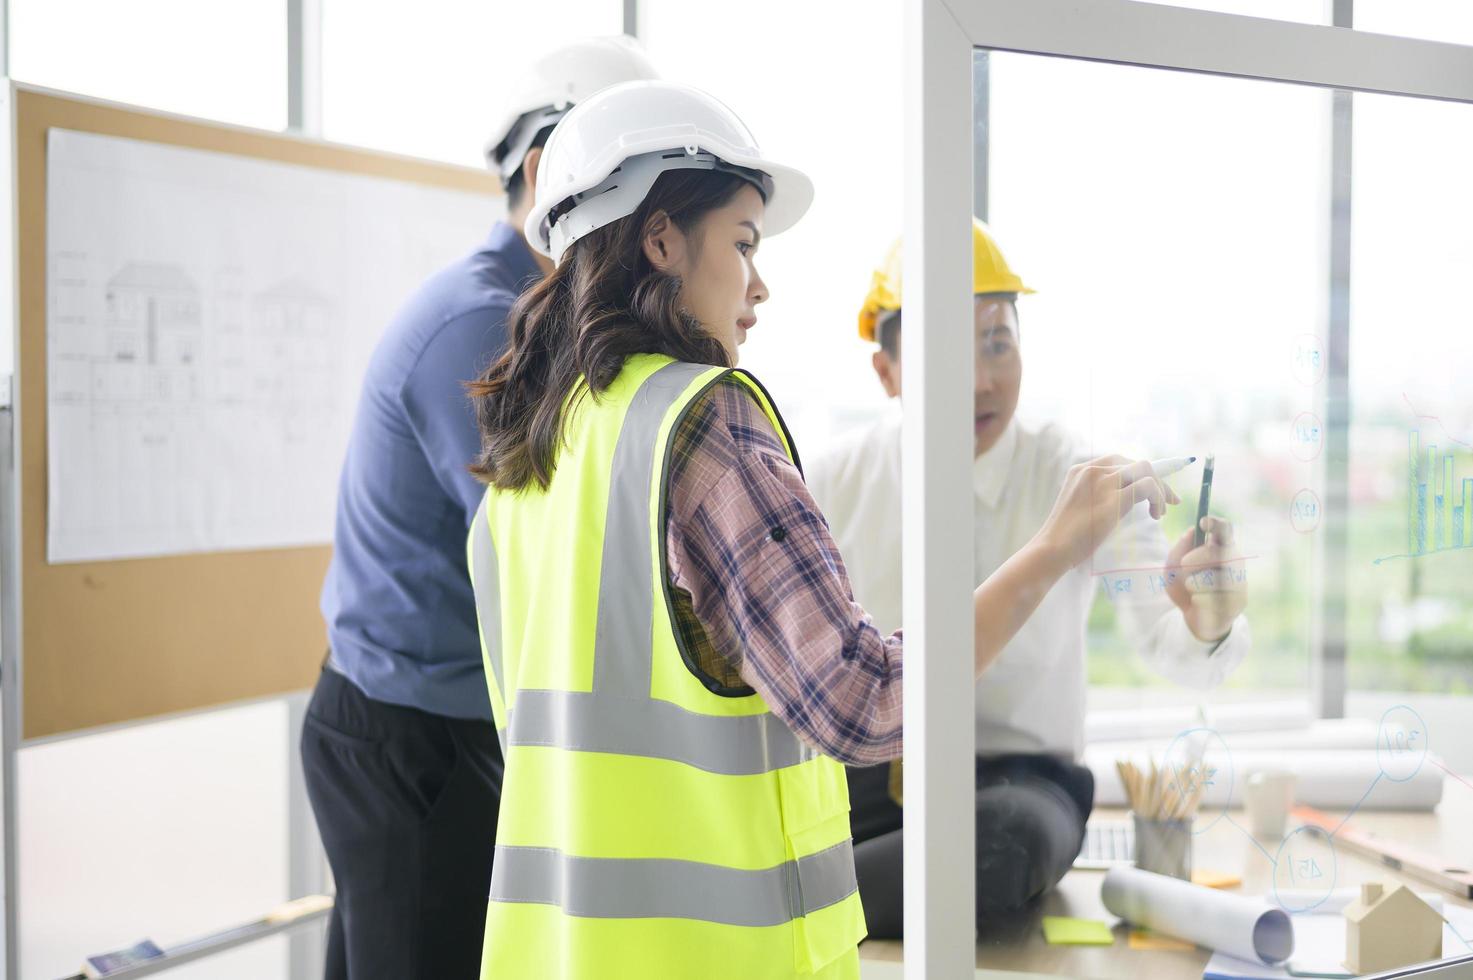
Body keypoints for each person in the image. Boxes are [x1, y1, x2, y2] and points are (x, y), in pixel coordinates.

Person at [464, 80, 1181, 979]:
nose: (759, 285)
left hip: (563, 954)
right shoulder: (702, 425)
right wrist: (1049, 553)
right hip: (719, 955)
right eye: (742, 243)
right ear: (659, 240)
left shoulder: (533, 457)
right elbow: (868, 699)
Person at [300, 37, 658, 979]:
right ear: (546, 177)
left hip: (436, 718)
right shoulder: (483, 325)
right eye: (634, 195)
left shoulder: (537, 314)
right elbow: (535, 564)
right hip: (402, 735)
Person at [805, 219, 1252, 936]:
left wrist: (1209, 620)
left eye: (997, 343)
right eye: (947, 352)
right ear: (885, 371)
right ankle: (837, 893)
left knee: (1007, 841)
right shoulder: (831, 481)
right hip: (870, 780)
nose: (981, 381)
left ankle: (806, 901)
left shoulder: (1080, 478)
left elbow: (1175, 648)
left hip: (1016, 785)